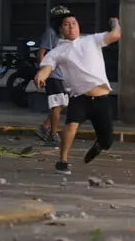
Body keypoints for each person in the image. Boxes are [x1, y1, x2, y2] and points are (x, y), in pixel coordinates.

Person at [34, 14, 121, 175]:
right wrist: (41, 77)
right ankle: (62, 161)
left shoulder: (91, 40)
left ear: (79, 26)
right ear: (61, 30)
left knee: (107, 141)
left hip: (101, 98)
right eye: (67, 24)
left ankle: (98, 145)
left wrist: (115, 23)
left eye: (74, 23)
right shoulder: (58, 51)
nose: (71, 26)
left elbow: (115, 35)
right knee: (71, 125)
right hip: (79, 97)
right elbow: (46, 67)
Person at [35, 5, 72, 147]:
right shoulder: (50, 33)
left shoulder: (63, 34)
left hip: (62, 74)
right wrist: (43, 72)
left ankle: (45, 127)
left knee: (63, 103)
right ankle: (52, 134)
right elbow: (41, 53)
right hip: (52, 74)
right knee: (56, 105)